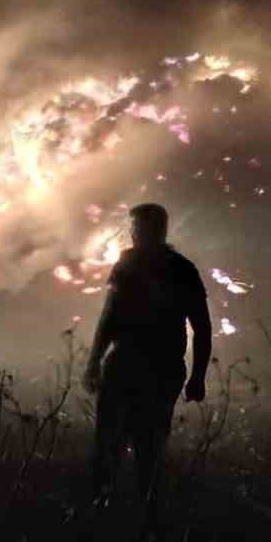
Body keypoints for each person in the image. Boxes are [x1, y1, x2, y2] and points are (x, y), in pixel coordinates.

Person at [84, 202, 210, 525]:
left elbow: (202, 326)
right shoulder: (134, 265)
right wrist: (94, 361)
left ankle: (137, 518)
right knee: (113, 445)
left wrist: (198, 376)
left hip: (154, 369)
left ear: (156, 230)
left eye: (138, 228)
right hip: (131, 365)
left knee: (144, 447)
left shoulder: (178, 270)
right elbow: (109, 316)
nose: (134, 234)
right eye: (134, 228)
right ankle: (108, 513)